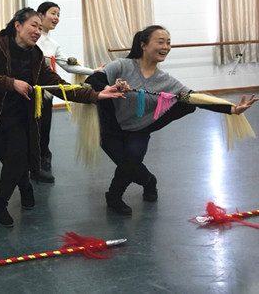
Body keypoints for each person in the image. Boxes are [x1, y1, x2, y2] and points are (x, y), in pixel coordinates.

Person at [0, 7, 127, 227]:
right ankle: (25, 187)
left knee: (18, 157)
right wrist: (11, 83)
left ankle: (0, 203)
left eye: (40, 27)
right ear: (18, 26)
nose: (38, 31)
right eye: (34, 25)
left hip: (19, 118)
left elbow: (59, 86)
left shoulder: (36, 55)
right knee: (13, 160)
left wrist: (96, 95)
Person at [84, 25, 257, 216]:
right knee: (130, 167)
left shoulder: (166, 81)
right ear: (143, 45)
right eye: (160, 42)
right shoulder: (121, 66)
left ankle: (113, 196)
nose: (166, 47)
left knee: (132, 160)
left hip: (138, 130)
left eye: (168, 43)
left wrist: (231, 109)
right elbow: (93, 80)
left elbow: (195, 98)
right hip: (110, 129)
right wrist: (110, 87)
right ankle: (150, 181)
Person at [35, 1, 105, 183]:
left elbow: (67, 66)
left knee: (44, 129)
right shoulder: (30, 38)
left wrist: (93, 71)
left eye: (58, 14)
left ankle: (43, 159)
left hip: (46, 93)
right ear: (40, 15)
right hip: (26, 92)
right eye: (53, 13)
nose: (56, 18)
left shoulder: (53, 44)